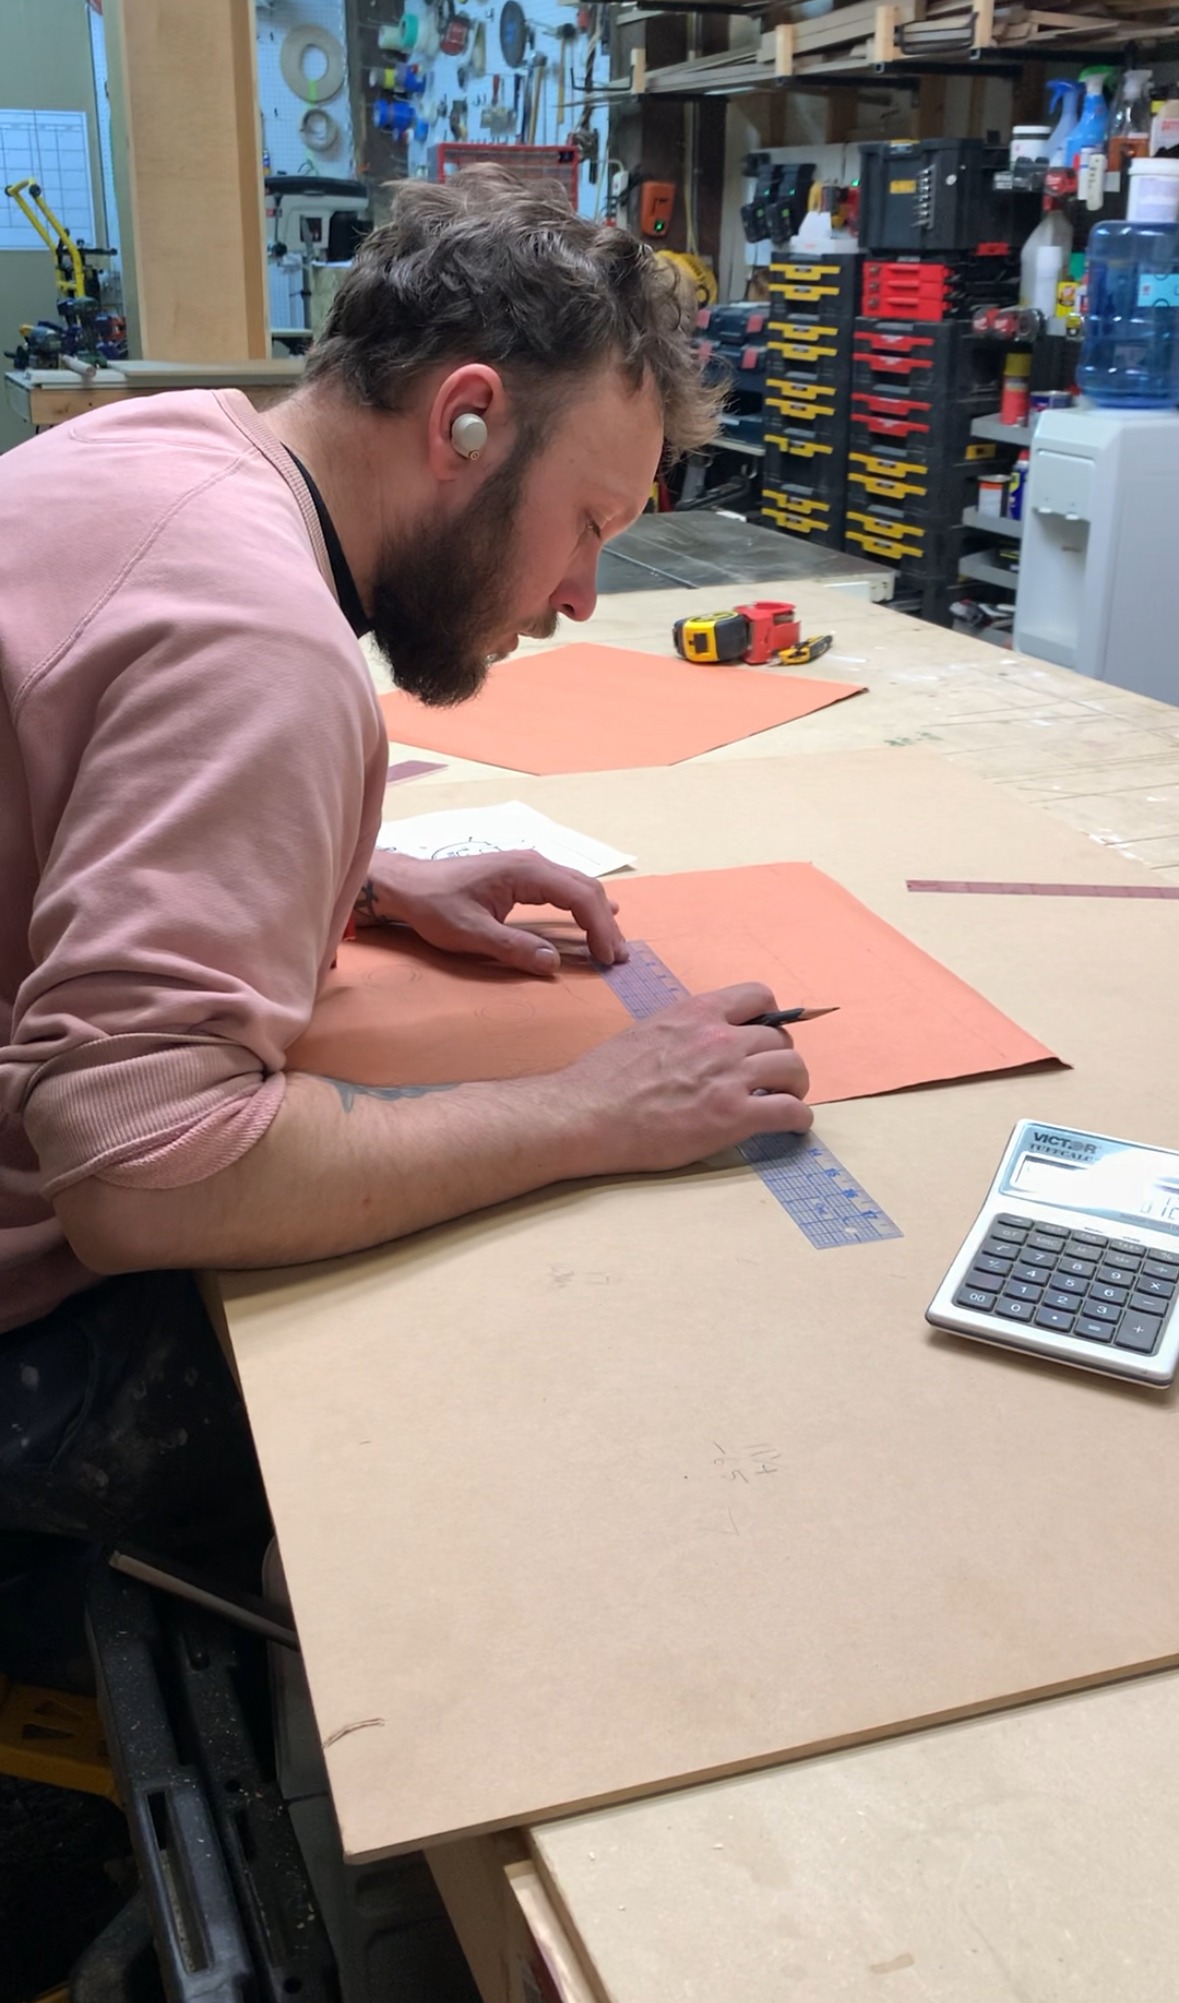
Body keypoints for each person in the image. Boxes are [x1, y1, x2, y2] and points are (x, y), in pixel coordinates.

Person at [0, 169, 811, 1560]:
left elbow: (75, 759)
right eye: (589, 525)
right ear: (465, 420)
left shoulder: (159, 446)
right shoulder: (262, 643)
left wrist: (348, 868)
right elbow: (142, 1171)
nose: (580, 599)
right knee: (464, 1400)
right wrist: (585, 1109)